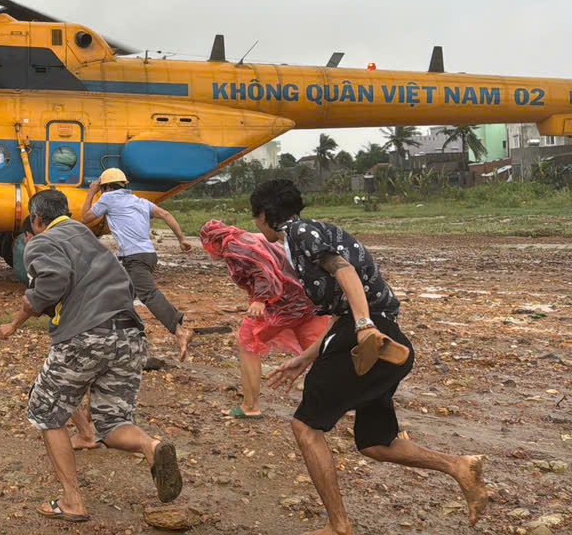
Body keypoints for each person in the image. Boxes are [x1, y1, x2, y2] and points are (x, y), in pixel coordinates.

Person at [252, 179, 489, 533]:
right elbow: (342, 309)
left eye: (255, 216)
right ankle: (458, 466)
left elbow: (345, 272)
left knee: (305, 426)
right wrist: (306, 357)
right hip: (379, 335)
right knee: (376, 442)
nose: (255, 224)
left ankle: (339, 526)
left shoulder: (299, 232)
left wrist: (364, 326)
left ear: (265, 215)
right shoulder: (311, 232)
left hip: (368, 336)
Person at [0, 189, 183, 522]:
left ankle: (72, 502)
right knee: (113, 425)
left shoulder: (42, 240)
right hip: (130, 336)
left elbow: (50, 282)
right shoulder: (89, 238)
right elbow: (124, 284)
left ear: (37, 220)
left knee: (48, 413)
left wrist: (26, 309)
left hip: (86, 336)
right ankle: (151, 447)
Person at [199, 219, 330, 419]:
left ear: (213, 241)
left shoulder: (234, 247)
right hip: (307, 300)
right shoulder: (251, 238)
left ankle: (250, 406)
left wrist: (260, 300)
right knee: (320, 350)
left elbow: (263, 271)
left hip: (283, 305)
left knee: (248, 342)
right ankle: (349, 397)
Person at [81, 167, 195, 361]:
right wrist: (181, 239)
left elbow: (86, 217)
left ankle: (179, 330)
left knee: (148, 294)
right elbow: (166, 214)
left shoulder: (108, 198)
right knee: (114, 293)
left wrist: (91, 191)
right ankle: (115, 338)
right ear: (125, 185)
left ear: (105, 187)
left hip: (134, 258)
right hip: (146, 255)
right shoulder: (140, 201)